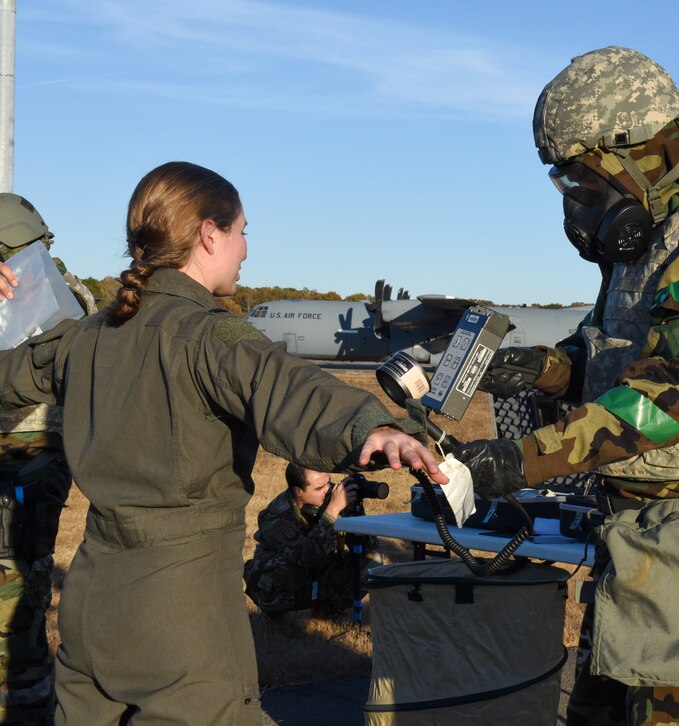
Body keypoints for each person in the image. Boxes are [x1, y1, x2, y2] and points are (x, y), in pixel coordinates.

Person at [0, 161, 447, 725]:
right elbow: (284, 383)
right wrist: (374, 428)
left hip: (92, 600)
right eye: (241, 232)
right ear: (208, 234)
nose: (245, 251)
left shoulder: (88, 335)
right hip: (179, 611)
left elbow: (8, 374)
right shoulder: (208, 332)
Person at [449, 47, 679, 725]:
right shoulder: (656, 242)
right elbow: (608, 362)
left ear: (636, 151)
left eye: (582, 178)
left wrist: (521, 463)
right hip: (640, 540)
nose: (579, 200)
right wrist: (537, 368)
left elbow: (676, 392)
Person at [0, 194, 96, 723]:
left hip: (32, 453)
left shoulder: (63, 296)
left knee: (16, 576)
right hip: (26, 452)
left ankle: (25, 695)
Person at [244, 464, 381, 616]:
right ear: (298, 491)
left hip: (320, 570)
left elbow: (370, 545)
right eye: (319, 487)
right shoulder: (275, 517)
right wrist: (331, 512)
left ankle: (327, 611)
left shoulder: (331, 497)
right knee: (282, 569)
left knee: (372, 561)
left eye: (328, 482)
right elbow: (306, 557)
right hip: (286, 576)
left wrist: (353, 513)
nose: (327, 489)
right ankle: (276, 614)